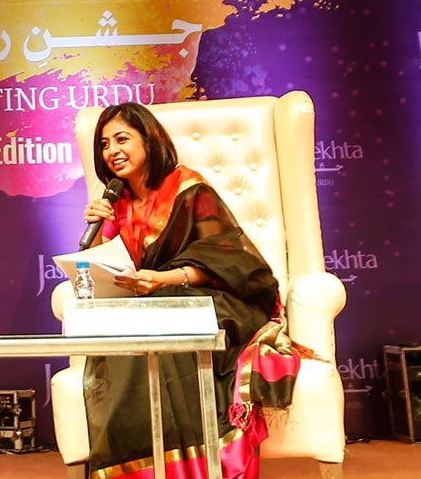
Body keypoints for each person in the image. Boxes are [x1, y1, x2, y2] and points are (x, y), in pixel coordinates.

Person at [81, 102, 303, 479]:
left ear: (149, 140)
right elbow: (106, 274)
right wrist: (99, 230)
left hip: (212, 301)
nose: (112, 151)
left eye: (122, 139)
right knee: (122, 330)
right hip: (148, 305)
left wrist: (164, 280)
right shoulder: (116, 203)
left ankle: (196, 467)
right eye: (104, 144)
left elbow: (226, 260)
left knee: (159, 317)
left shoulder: (188, 188)